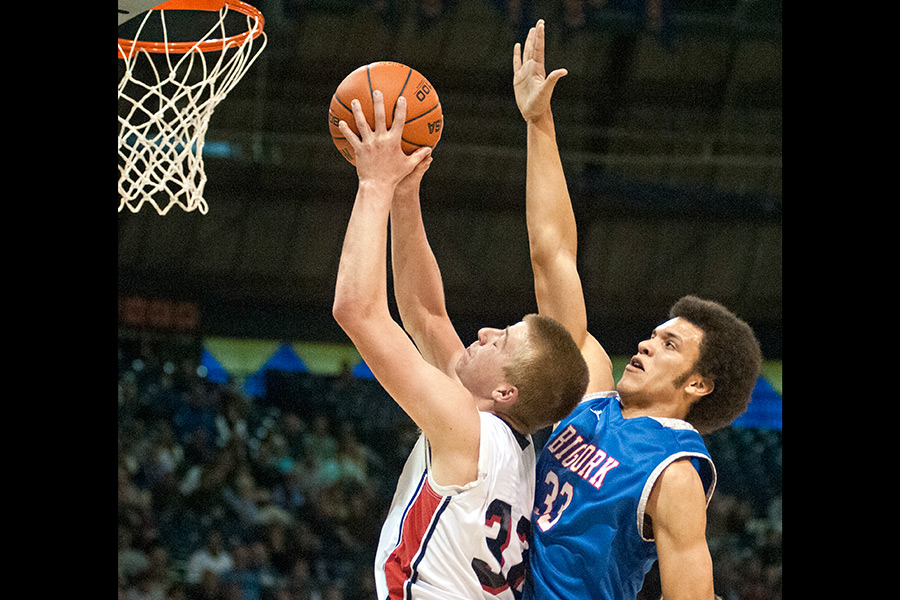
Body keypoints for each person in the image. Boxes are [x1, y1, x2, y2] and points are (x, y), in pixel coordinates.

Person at [512, 19, 763, 600]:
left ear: (699, 382)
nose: (648, 344)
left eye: (671, 344)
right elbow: (552, 257)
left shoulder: (674, 473)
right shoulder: (593, 393)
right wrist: (539, 124)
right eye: (655, 334)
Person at [332, 91, 589, 598]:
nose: (487, 332)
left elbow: (356, 311)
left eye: (505, 339)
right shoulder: (511, 448)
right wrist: (406, 197)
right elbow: (425, 315)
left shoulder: (466, 428)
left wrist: (374, 184)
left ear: (506, 392)